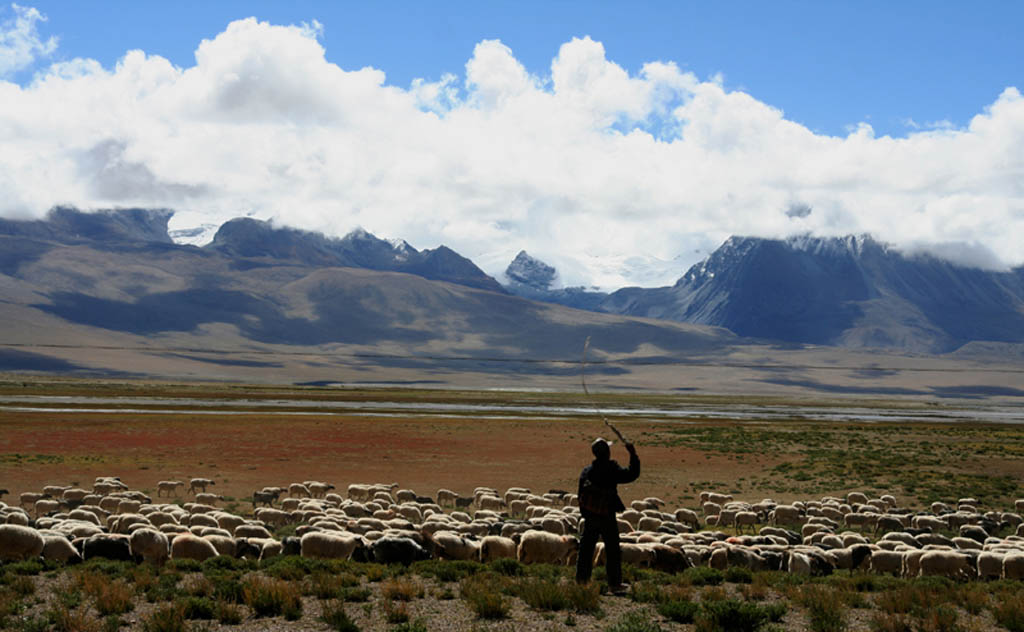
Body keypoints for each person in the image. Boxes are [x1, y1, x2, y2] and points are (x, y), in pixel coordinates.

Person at [575, 436, 640, 592]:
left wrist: (586, 514)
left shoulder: (587, 472)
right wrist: (633, 454)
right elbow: (631, 474)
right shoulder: (611, 469)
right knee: (612, 549)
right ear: (607, 453)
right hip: (607, 515)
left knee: (586, 549)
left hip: (591, 516)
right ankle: (614, 583)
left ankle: (582, 581)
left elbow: (580, 495)